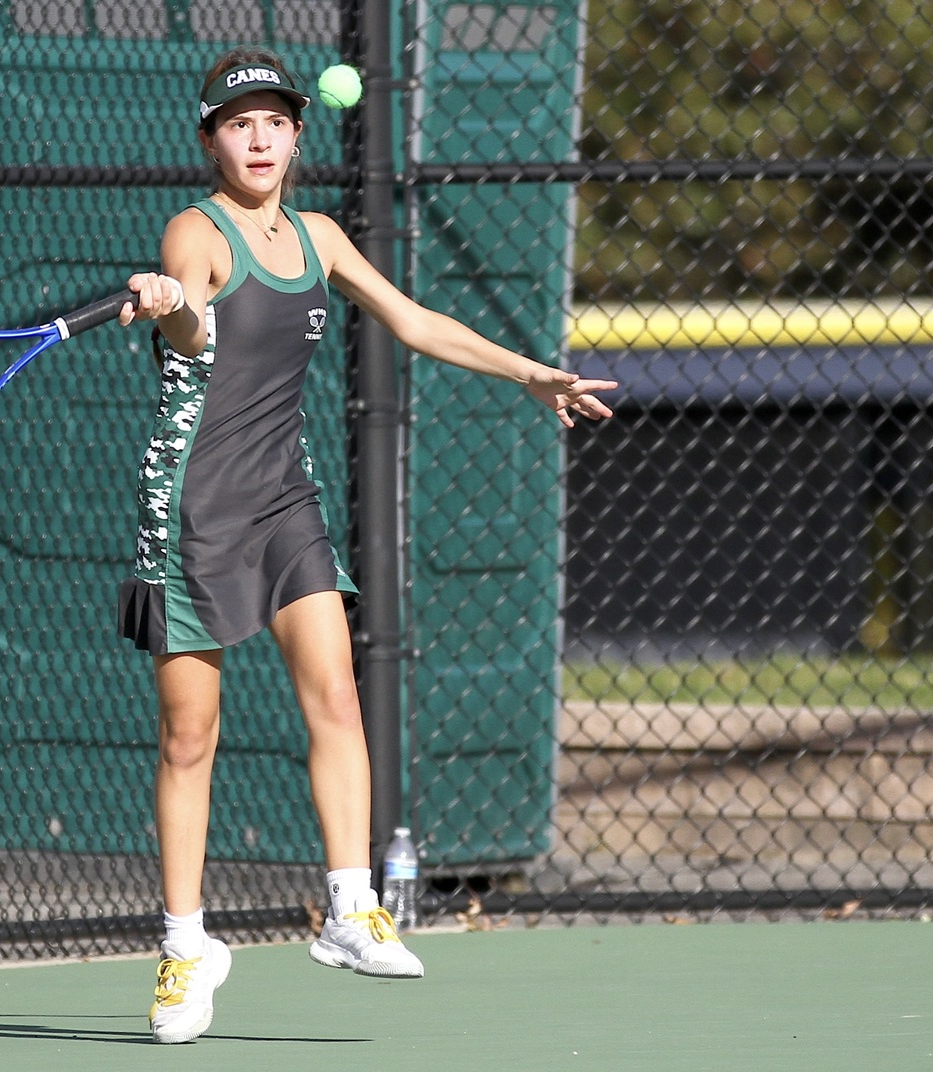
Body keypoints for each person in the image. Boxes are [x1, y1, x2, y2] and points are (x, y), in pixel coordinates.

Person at [114, 47, 617, 1045]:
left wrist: (528, 374)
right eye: (236, 123)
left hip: (284, 503)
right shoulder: (194, 231)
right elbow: (192, 314)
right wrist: (175, 305)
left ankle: (349, 908)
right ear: (209, 140)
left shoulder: (321, 235)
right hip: (193, 511)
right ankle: (183, 948)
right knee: (190, 735)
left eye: (273, 122)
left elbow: (415, 321)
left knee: (337, 696)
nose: (257, 138)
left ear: (298, 135)